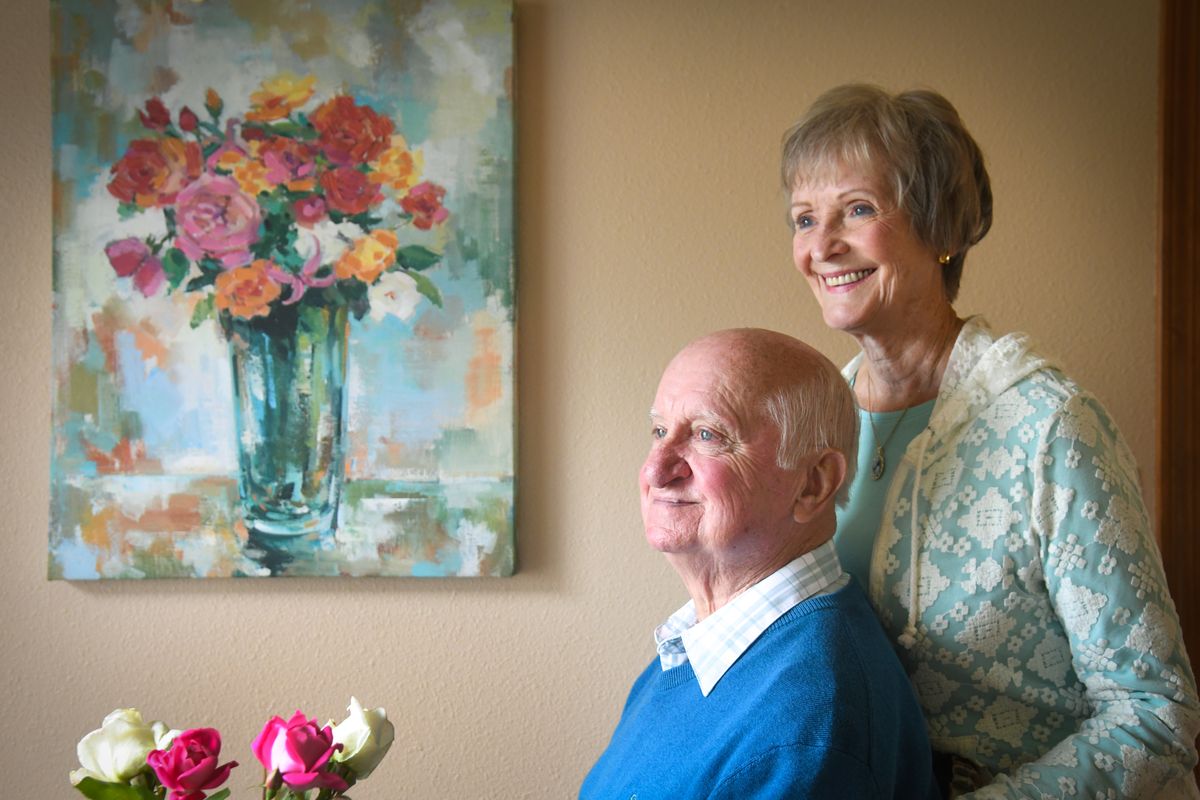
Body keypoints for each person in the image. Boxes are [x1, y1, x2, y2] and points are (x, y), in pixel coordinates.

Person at [781, 83, 1200, 797]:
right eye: (803, 218)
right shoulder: (809, 426)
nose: (821, 246)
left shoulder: (1050, 427)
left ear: (942, 228)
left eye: (857, 209)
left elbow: (1155, 715)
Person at [580, 328, 938, 799]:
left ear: (813, 484)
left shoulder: (807, 733)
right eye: (660, 431)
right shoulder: (701, 644)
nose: (655, 469)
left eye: (707, 435)